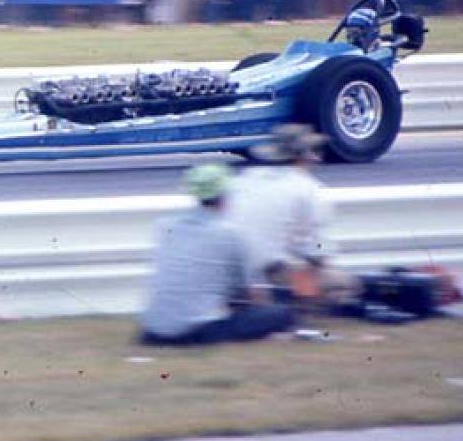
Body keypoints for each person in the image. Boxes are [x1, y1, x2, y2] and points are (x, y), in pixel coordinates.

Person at [139, 163, 295, 346]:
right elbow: (255, 293)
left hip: (152, 330)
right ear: (225, 194)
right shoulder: (231, 233)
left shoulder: (165, 225)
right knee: (282, 313)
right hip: (197, 330)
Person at [226, 123, 360, 310]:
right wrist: (319, 263)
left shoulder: (242, 180)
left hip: (229, 273)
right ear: (303, 157)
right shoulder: (307, 188)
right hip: (270, 274)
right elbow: (317, 247)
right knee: (343, 283)